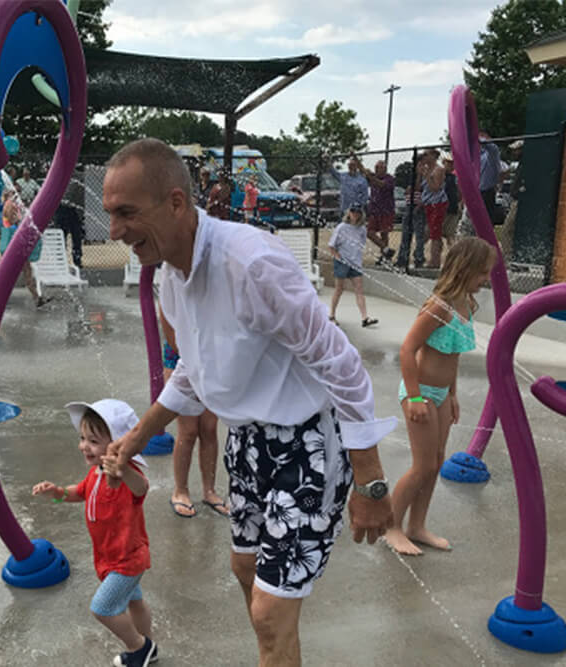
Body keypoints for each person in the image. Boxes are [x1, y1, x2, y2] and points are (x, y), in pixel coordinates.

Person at [102, 138, 395, 667]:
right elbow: (194, 368)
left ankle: (273, 645)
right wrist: (139, 437)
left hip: (307, 444)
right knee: (247, 574)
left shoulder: (251, 264)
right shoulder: (171, 276)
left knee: (267, 612)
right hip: (249, 443)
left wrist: (370, 481)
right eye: (110, 215)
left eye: (127, 213)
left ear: (174, 203)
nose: (114, 231)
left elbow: (341, 362)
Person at [384, 237, 496, 556]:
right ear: (466, 269)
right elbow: (408, 349)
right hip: (419, 393)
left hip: (442, 394)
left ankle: (416, 526)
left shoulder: (466, 305)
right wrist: (416, 397)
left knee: (434, 464)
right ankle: (391, 526)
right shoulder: (440, 306)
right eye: (482, 273)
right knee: (421, 466)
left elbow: (454, 356)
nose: (486, 279)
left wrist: (454, 394)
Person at [31, 399, 157, 667]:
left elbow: (141, 488)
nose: (84, 446)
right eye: (82, 438)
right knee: (135, 601)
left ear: (120, 444)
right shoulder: (96, 472)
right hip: (110, 558)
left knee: (102, 608)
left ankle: (140, 646)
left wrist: (122, 470)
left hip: (127, 559)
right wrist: (57, 493)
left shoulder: (127, 475)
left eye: (93, 440)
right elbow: (80, 492)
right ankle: (149, 645)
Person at [158, 306, 228, 518]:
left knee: (209, 427)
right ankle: (180, 490)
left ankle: (209, 491)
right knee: (188, 430)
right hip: (181, 357)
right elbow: (171, 334)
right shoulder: (173, 283)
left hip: (212, 356)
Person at [329, 203, 377, 328]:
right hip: (342, 262)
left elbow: (360, 245)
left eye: (358, 212)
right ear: (348, 213)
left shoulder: (362, 229)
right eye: (353, 212)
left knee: (359, 289)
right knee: (339, 289)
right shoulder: (341, 228)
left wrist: (358, 260)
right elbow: (331, 246)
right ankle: (332, 315)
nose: (355, 214)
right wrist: (339, 258)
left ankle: (365, 317)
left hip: (355, 263)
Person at [0, 189, 50, 308]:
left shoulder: (11, 204)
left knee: (26, 270)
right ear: (9, 195)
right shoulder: (9, 205)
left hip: (14, 242)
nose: (17, 195)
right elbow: (13, 221)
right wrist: (21, 219)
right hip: (13, 242)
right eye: (14, 193)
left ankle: (37, 298)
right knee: (18, 272)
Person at [360, 160, 396, 263]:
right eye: (375, 168)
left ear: (384, 169)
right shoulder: (372, 177)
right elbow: (363, 170)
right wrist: (355, 158)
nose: (376, 170)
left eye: (378, 168)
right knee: (369, 232)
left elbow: (380, 184)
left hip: (386, 210)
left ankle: (385, 257)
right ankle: (386, 250)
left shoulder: (390, 179)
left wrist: (371, 177)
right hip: (374, 210)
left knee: (384, 233)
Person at [419, 151, 448, 269]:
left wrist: (426, 175)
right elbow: (422, 187)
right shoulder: (426, 170)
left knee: (435, 233)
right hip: (428, 203)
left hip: (437, 203)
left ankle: (434, 261)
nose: (424, 157)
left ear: (434, 156)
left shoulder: (438, 170)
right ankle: (426, 255)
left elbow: (435, 188)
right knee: (428, 231)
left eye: (427, 155)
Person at [53, 168, 85, 267]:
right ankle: (60, 259)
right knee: (62, 235)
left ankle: (77, 259)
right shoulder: (59, 175)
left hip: (73, 210)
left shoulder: (79, 177)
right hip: (62, 208)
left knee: (76, 236)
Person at [479, 131, 502, 226]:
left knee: (487, 220)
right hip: (477, 192)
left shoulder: (492, 153)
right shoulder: (478, 155)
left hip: (487, 192)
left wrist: (480, 139)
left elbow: (491, 147)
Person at [440, 153, 461, 252]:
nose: (451, 165)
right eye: (448, 163)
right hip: (441, 208)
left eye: (452, 163)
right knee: (437, 234)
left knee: (450, 234)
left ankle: (453, 255)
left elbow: (459, 192)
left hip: (452, 208)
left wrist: (459, 202)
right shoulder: (440, 175)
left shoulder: (454, 177)